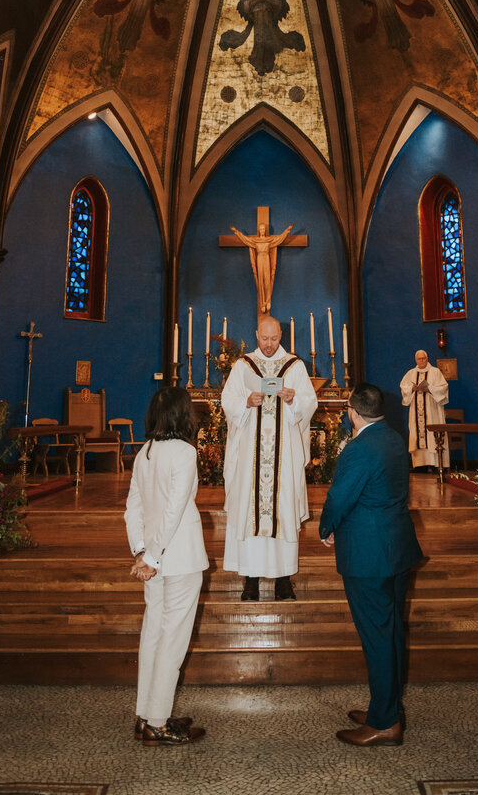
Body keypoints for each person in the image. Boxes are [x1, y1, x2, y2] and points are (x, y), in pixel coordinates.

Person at [319, 382, 423, 746]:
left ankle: (383, 723)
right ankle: (388, 707)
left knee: (378, 638)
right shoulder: (395, 439)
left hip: (368, 555)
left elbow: (339, 497)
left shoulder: (358, 449)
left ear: (352, 412)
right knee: (391, 630)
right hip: (396, 547)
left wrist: (325, 529)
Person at [124, 386, 208, 746]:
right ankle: (158, 723)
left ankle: (146, 714)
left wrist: (141, 552)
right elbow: (175, 509)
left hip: (153, 561)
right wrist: (153, 556)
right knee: (172, 641)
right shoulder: (185, 452)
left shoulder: (144, 451)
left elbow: (132, 509)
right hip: (180, 556)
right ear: (182, 415)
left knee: (153, 635)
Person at [221, 314, 317, 601]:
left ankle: (283, 580)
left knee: (282, 510)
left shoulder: (295, 366)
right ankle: (250, 580)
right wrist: (246, 403)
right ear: (256, 334)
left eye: (274, 339)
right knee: (250, 512)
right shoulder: (243, 365)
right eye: (264, 338)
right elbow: (228, 401)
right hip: (250, 454)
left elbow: (309, 402)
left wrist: (293, 401)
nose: (269, 344)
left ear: (281, 336)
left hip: (283, 456)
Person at [228, 222, 293, 315]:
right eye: (261, 229)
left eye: (263, 229)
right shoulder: (255, 241)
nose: (262, 230)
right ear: (259, 230)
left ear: (265, 230)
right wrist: (237, 232)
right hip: (259, 259)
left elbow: (279, 240)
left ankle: (268, 301)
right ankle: (262, 303)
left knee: (267, 279)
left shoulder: (269, 240)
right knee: (260, 280)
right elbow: (246, 240)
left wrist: (287, 231)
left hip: (266, 258)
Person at [399, 348, 449, 469]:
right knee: (417, 435)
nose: (421, 360)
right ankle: (420, 465)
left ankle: (437, 464)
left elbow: (443, 388)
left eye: (423, 358)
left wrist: (429, 389)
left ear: (427, 358)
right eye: (419, 358)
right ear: (415, 360)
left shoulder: (435, 372)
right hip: (416, 411)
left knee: (432, 437)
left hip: (433, 411)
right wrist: (412, 389)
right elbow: (403, 387)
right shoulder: (411, 373)